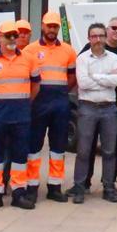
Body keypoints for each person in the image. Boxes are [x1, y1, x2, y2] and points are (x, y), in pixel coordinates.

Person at [0, 21, 41, 211]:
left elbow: (36, 85)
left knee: (20, 156)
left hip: (21, 116)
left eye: (14, 35)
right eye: (7, 35)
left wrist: (25, 102)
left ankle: (18, 193)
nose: (12, 39)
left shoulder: (28, 59)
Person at [23, 11, 78, 203]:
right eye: (49, 26)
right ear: (42, 26)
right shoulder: (29, 50)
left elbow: (72, 76)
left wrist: (61, 91)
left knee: (58, 147)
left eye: (55, 26)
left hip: (60, 103)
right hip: (38, 103)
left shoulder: (68, 50)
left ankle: (55, 186)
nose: (52, 29)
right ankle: (31, 186)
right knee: (34, 147)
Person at [72, 22, 117, 204]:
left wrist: (97, 77)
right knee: (84, 150)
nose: (98, 39)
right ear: (89, 39)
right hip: (87, 107)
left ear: (106, 37)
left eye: (101, 36)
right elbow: (83, 83)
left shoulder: (115, 58)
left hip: (109, 108)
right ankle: (79, 187)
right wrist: (106, 79)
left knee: (110, 151)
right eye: (94, 36)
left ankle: (108, 187)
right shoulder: (82, 59)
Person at [84, 17, 117, 192]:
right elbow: (82, 79)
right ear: (107, 29)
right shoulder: (87, 50)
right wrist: (108, 79)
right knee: (87, 147)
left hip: (116, 108)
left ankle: (109, 183)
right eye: (114, 27)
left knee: (112, 148)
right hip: (90, 105)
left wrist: (96, 77)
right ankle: (84, 183)